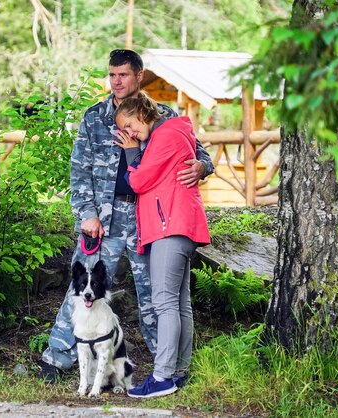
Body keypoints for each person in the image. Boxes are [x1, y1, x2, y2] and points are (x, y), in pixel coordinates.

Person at [38, 49, 214, 382]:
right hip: (103, 220)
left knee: (155, 294)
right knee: (83, 286)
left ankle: (170, 368)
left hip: (150, 217)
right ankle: (56, 360)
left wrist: (201, 167)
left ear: (138, 75)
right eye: (112, 74)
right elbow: (80, 171)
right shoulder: (95, 117)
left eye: (123, 74)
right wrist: (87, 214)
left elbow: (200, 153)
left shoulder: (162, 116)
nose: (116, 81)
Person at [114, 93, 210, 398]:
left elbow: (139, 182)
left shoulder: (165, 136)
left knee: (165, 302)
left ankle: (163, 376)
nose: (129, 132)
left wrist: (131, 153)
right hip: (177, 223)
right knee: (180, 302)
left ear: (143, 112)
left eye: (128, 124)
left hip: (170, 224)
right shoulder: (172, 132)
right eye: (124, 129)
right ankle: (180, 372)